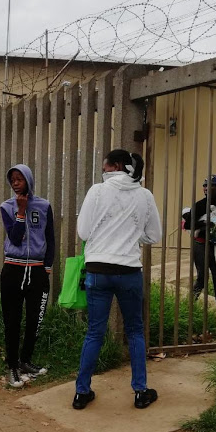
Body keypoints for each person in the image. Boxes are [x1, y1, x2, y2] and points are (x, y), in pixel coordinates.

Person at [73, 149, 162, 410]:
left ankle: (81, 392)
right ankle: (140, 391)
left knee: (94, 332)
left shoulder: (97, 191)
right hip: (129, 272)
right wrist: (132, 236)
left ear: (117, 165)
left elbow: (84, 232)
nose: (103, 169)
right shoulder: (145, 196)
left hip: (98, 270)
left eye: (106, 164)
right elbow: (153, 235)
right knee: (134, 331)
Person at [0, 164, 55, 388]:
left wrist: (47, 267)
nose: (15, 182)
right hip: (13, 269)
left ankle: (26, 360)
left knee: (35, 319)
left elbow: (50, 238)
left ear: (29, 180)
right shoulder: (7, 207)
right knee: (12, 320)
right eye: (12, 179)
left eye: (19, 178)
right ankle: (12, 366)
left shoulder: (44, 206)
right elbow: (14, 238)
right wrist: (20, 213)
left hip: (38, 270)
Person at [183, 175, 216, 301]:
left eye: (211, 186)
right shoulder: (200, 205)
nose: (206, 188)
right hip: (200, 244)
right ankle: (191, 301)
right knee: (202, 276)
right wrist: (205, 223)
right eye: (205, 186)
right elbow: (187, 225)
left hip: (215, 244)